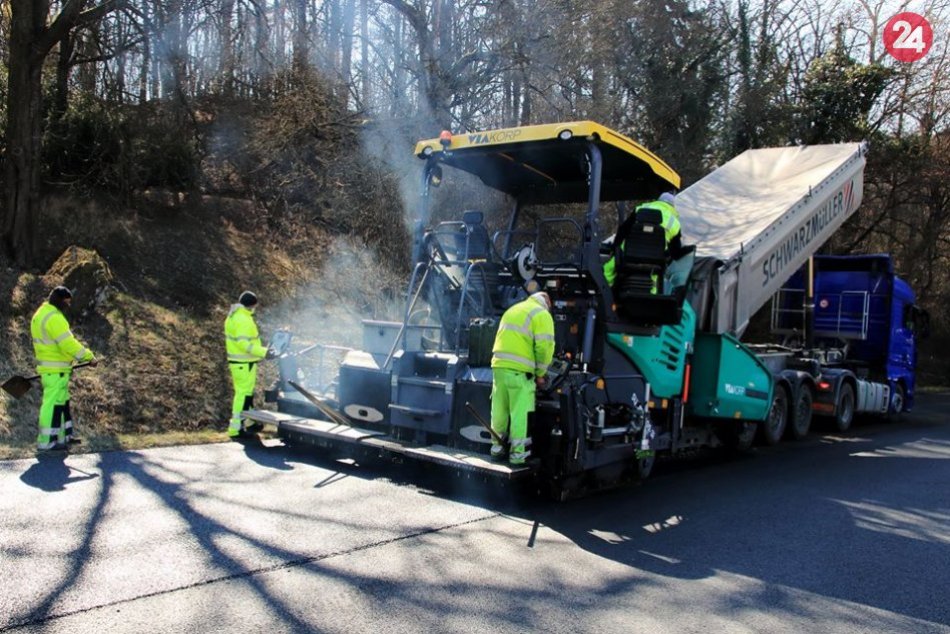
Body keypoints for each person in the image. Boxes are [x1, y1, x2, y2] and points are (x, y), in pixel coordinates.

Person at [489, 291, 555, 465]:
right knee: (520, 412)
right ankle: (518, 456)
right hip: (520, 372)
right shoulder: (542, 314)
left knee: (499, 409)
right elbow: (544, 348)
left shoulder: (513, 309)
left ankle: (496, 448)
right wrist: (540, 374)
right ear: (547, 303)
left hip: (498, 366)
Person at [30, 286, 97, 451]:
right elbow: (68, 344)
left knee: (60, 404)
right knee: (53, 405)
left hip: (52, 369)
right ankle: (46, 441)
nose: (68, 305)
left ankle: (63, 437)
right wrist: (88, 356)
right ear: (60, 300)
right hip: (56, 370)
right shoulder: (54, 318)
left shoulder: (40, 314)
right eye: (67, 302)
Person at [603, 191, 682, 290]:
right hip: (655, 262)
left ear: (658, 201)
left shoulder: (641, 209)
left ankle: (601, 288)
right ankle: (650, 295)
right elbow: (676, 251)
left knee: (609, 268)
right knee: (653, 282)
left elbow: (623, 230)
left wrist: (615, 247)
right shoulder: (675, 222)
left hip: (628, 255)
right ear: (672, 206)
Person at [224, 291, 274, 439]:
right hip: (244, 363)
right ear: (253, 304)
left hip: (241, 363)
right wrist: (264, 352)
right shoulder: (243, 319)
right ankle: (236, 429)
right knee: (243, 395)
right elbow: (244, 344)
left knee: (246, 394)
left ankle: (249, 422)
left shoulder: (235, 315)